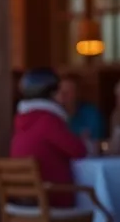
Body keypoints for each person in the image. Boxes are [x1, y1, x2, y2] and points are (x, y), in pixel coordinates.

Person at [9, 68, 87, 207]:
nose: (62, 97)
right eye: (59, 91)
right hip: (51, 199)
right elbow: (79, 151)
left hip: (24, 200)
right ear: (51, 93)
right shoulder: (47, 120)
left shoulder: (22, 119)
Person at [57, 73, 106, 143]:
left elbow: (96, 143)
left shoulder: (92, 114)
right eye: (58, 92)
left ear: (77, 94)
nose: (62, 97)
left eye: (67, 93)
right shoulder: (50, 115)